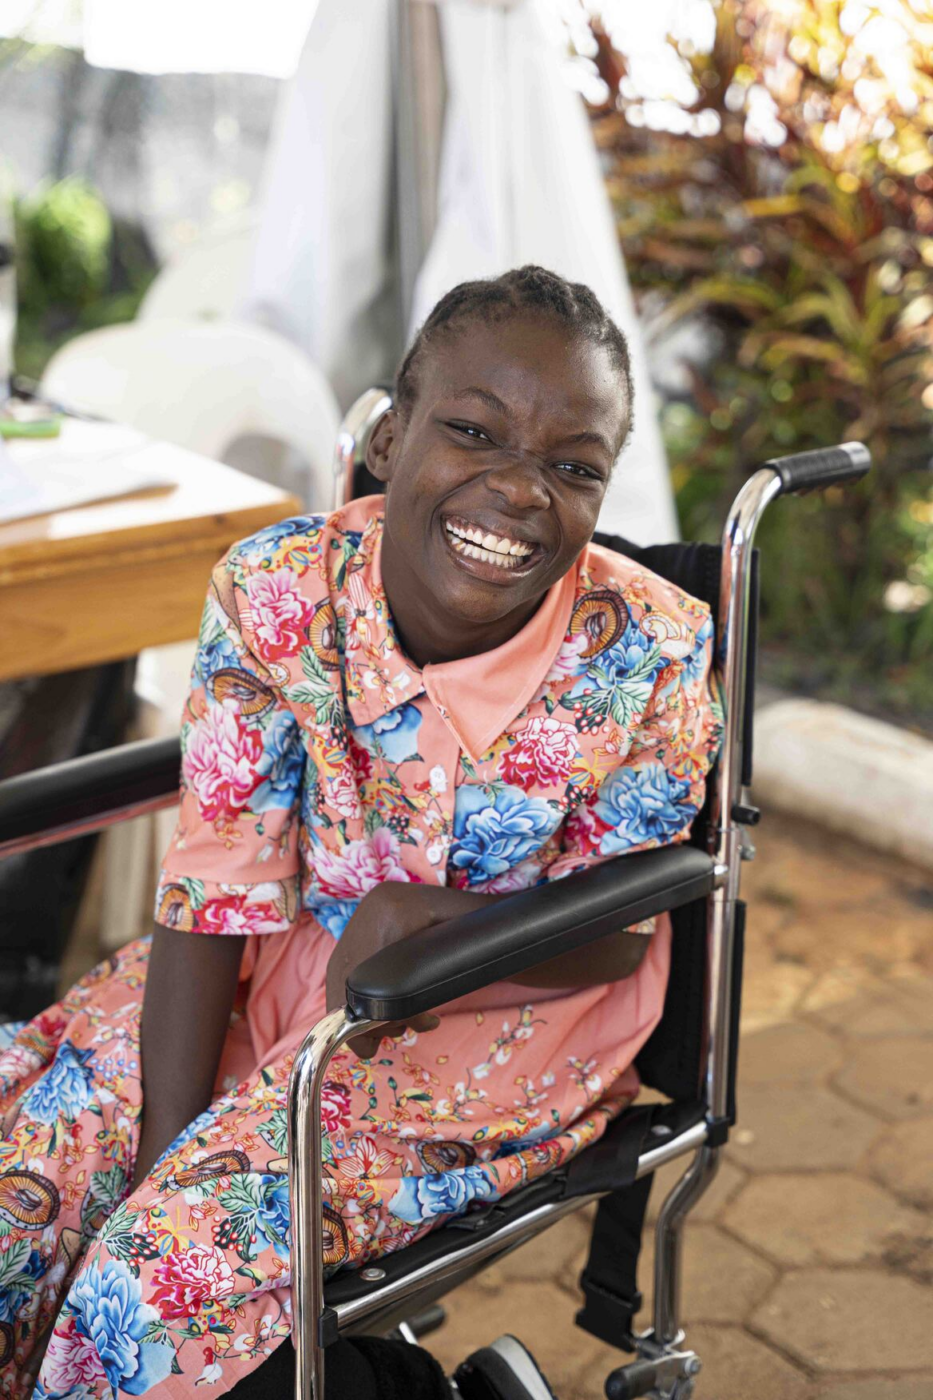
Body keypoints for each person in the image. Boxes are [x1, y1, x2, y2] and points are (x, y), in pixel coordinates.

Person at [0, 267, 721, 1400]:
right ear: (391, 435)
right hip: (272, 955)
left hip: (504, 1013)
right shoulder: (278, 589)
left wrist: (427, 922)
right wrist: (162, 1154)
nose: (522, 489)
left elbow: (623, 933)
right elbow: (216, 883)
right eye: (474, 431)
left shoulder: (651, 655)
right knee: (19, 1204)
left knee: (148, 1288)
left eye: (572, 464)